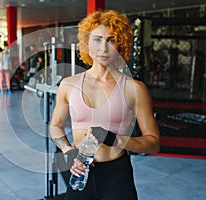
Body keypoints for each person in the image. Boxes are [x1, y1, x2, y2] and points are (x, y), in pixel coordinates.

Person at [50, 10, 160, 200]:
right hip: (80, 170)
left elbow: (154, 143)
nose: (104, 48)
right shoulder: (69, 84)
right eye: (97, 39)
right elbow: (55, 127)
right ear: (86, 42)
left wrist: (116, 139)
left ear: (121, 44)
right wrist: (69, 152)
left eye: (111, 40)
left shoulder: (135, 89)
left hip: (116, 175)